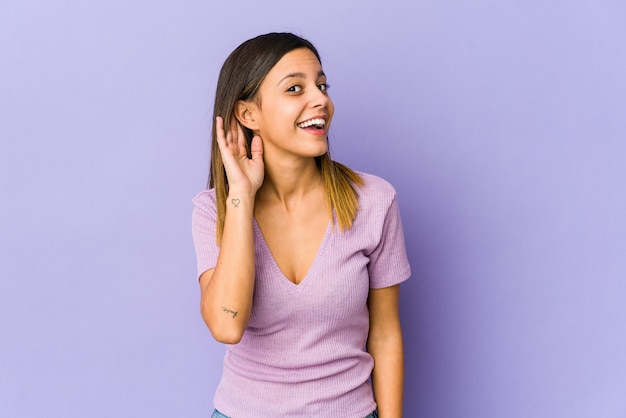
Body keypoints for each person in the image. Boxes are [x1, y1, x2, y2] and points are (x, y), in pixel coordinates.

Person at [192, 32, 411, 418]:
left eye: (322, 85)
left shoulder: (374, 200)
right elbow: (227, 325)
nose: (320, 100)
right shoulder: (215, 210)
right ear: (248, 114)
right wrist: (241, 197)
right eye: (295, 88)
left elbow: (386, 333)